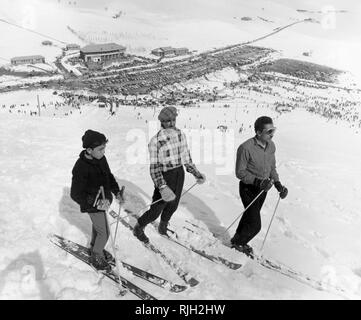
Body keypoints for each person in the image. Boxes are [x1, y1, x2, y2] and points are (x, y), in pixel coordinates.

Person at [133, 106, 206, 243]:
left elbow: (186, 156)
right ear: (162, 122)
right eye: (168, 121)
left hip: (179, 173)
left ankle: (163, 225)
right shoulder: (156, 141)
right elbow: (154, 168)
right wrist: (162, 186)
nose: (171, 123)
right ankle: (139, 226)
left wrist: (195, 172)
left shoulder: (180, 134)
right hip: (165, 175)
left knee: (173, 205)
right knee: (156, 209)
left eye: (173, 120)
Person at [232, 116, 288, 255]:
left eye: (273, 130)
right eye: (269, 131)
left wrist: (278, 185)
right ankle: (239, 244)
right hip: (248, 188)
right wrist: (258, 182)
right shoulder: (246, 148)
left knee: (249, 217)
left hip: (263, 189)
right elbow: (240, 172)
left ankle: (237, 240)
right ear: (258, 132)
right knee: (255, 225)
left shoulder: (271, 146)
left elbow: (271, 167)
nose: (272, 134)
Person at [70, 130, 125, 270]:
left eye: (104, 148)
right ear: (89, 150)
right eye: (100, 149)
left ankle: (96, 248)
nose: (103, 152)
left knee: (99, 228)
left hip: (104, 201)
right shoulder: (81, 167)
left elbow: (109, 176)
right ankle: (96, 255)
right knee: (104, 233)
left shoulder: (101, 159)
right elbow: (75, 193)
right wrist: (96, 202)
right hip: (93, 205)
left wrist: (117, 191)